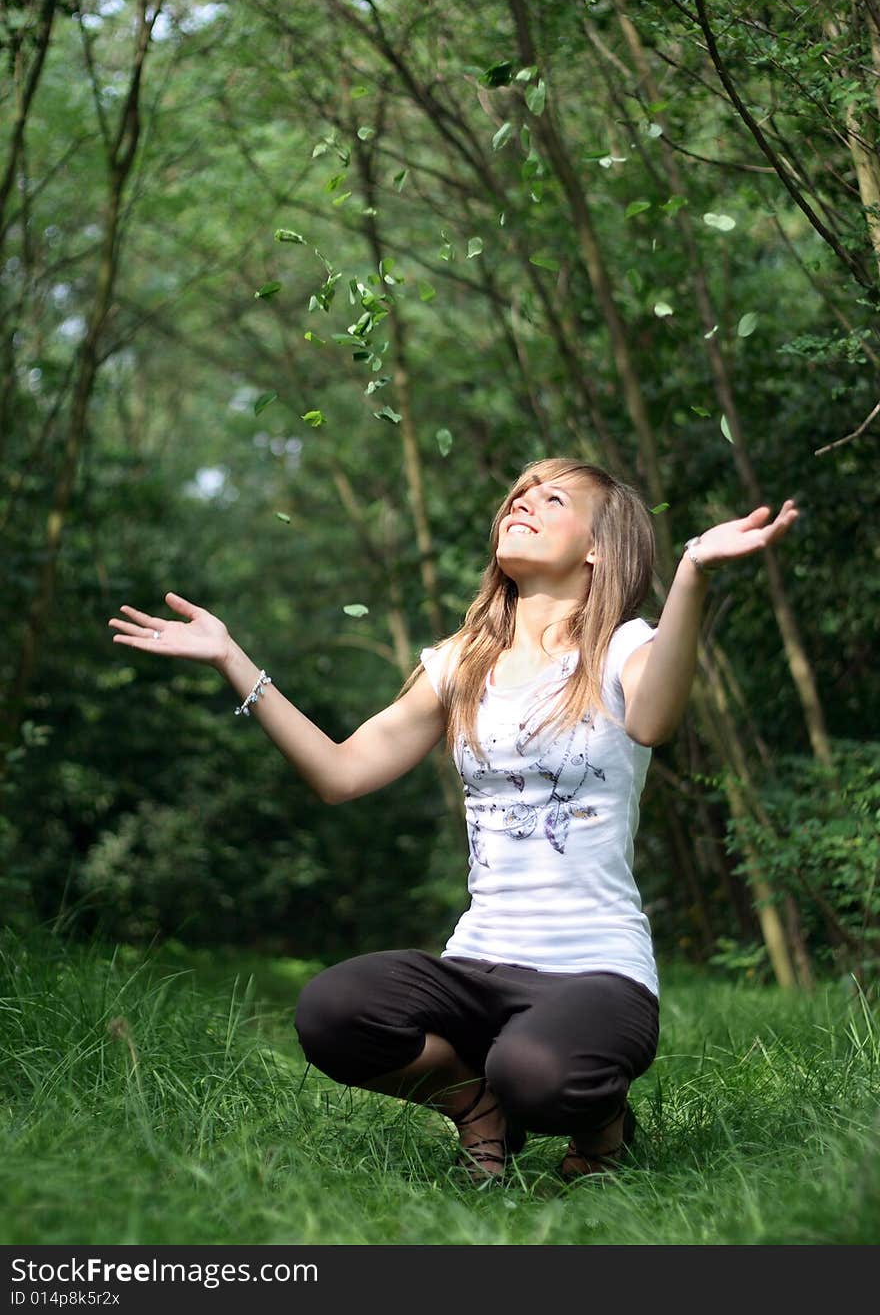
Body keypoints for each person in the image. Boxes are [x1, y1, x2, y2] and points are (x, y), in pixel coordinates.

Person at [109, 457, 798, 1181]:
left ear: (598, 546)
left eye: (552, 497)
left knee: (537, 1071)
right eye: (519, 495)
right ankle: (478, 1109)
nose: (523, 504)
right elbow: (340, 774)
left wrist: (693, 572)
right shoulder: (459, 663)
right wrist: (232, 659)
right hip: (477, 963)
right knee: (332, 1010)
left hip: (595, 969)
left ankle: (604, 1130)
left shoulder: (623, 648)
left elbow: (654, 721)